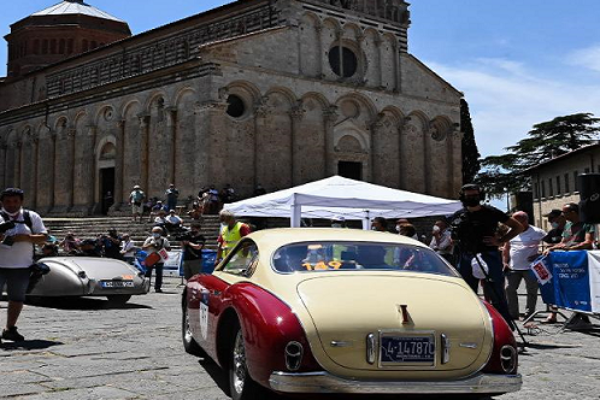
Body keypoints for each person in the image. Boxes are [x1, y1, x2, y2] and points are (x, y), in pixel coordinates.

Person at [449, 184, 524, 328]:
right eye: (469, 196)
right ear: (463, 197)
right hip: (465, 256)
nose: (472, 198)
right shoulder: (458, 215)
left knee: (496, 291)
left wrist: (500, 241)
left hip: (488, 254)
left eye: (475, 195)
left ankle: (504, 326)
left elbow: (518, 227)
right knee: (467, 292)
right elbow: (453, 237)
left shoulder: (491, 212)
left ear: (480, 195)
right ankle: (470, 325)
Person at [0, 188, 48, 344]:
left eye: (15, 201)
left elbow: (43, 238)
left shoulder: (31, 216)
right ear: (2, 202)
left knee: (17, 299)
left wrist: (25, 238)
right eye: (7, 201)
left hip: (22, 266)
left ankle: (10, 329)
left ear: (21, 202)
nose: (11, 204)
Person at [543, 203, 595, 327]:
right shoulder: (567, 225)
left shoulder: (587, 223)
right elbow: (563, 243)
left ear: (573, 212)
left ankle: (584, 315)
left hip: (582, 261)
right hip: (568, 262)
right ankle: (579, 315)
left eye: (564, 212)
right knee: (571, 288)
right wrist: (551, 248)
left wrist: (570, 249)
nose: (562, 215)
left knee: (583, 288)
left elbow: (588, 242)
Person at [502, 211, 546, 320]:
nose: (514, 223)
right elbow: (506, 247)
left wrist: (539, 254)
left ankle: (529, 313)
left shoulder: (537, 232)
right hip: (513, 267)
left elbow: (547, 245)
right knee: (509, 289)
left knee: (531, 291)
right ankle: (513, 313)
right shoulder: (511, 231)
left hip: (530, 267)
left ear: (525, 220)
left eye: (517, 220)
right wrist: (505, 262)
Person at [142, 227, 171, 293]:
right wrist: (151, 245)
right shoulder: (149, 239)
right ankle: (146, 287)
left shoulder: (164, 240)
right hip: (150, 258)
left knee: (159, 274)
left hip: (160, 259)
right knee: (147, 273)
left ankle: (157, 288)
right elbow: (143, 248)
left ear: (160, 233)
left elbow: (169, 249)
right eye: (154, 232)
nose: (155, 233)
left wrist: (161, 247)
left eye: (157, 232)